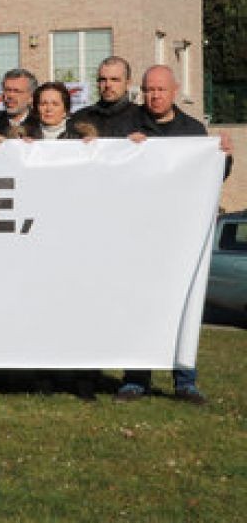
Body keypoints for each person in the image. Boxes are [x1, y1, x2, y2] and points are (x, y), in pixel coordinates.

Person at [116, 65, 233, 405]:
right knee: (138, 307)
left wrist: (224, 157)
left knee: (184, 307)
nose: (154, 96)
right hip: (138, 237)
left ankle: (185, 379)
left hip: (179, 240)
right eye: (149, 90)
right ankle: (135, 379)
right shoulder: (127, 126)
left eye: (161, 90)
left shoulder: (193, 130)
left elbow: (211, 177)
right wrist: (126, 148)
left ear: (176, 90)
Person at [71, 56, 141, 138]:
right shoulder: (80, 118)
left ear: (128, 83)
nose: (108, 85)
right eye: (103, 79)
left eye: (114, 79)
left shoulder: (142, 118)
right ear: (97, 83)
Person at [0, 68, 37, 137]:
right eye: (7, 90)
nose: (10, 96)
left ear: (31, 97)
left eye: (17, 91)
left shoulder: (43, 128)